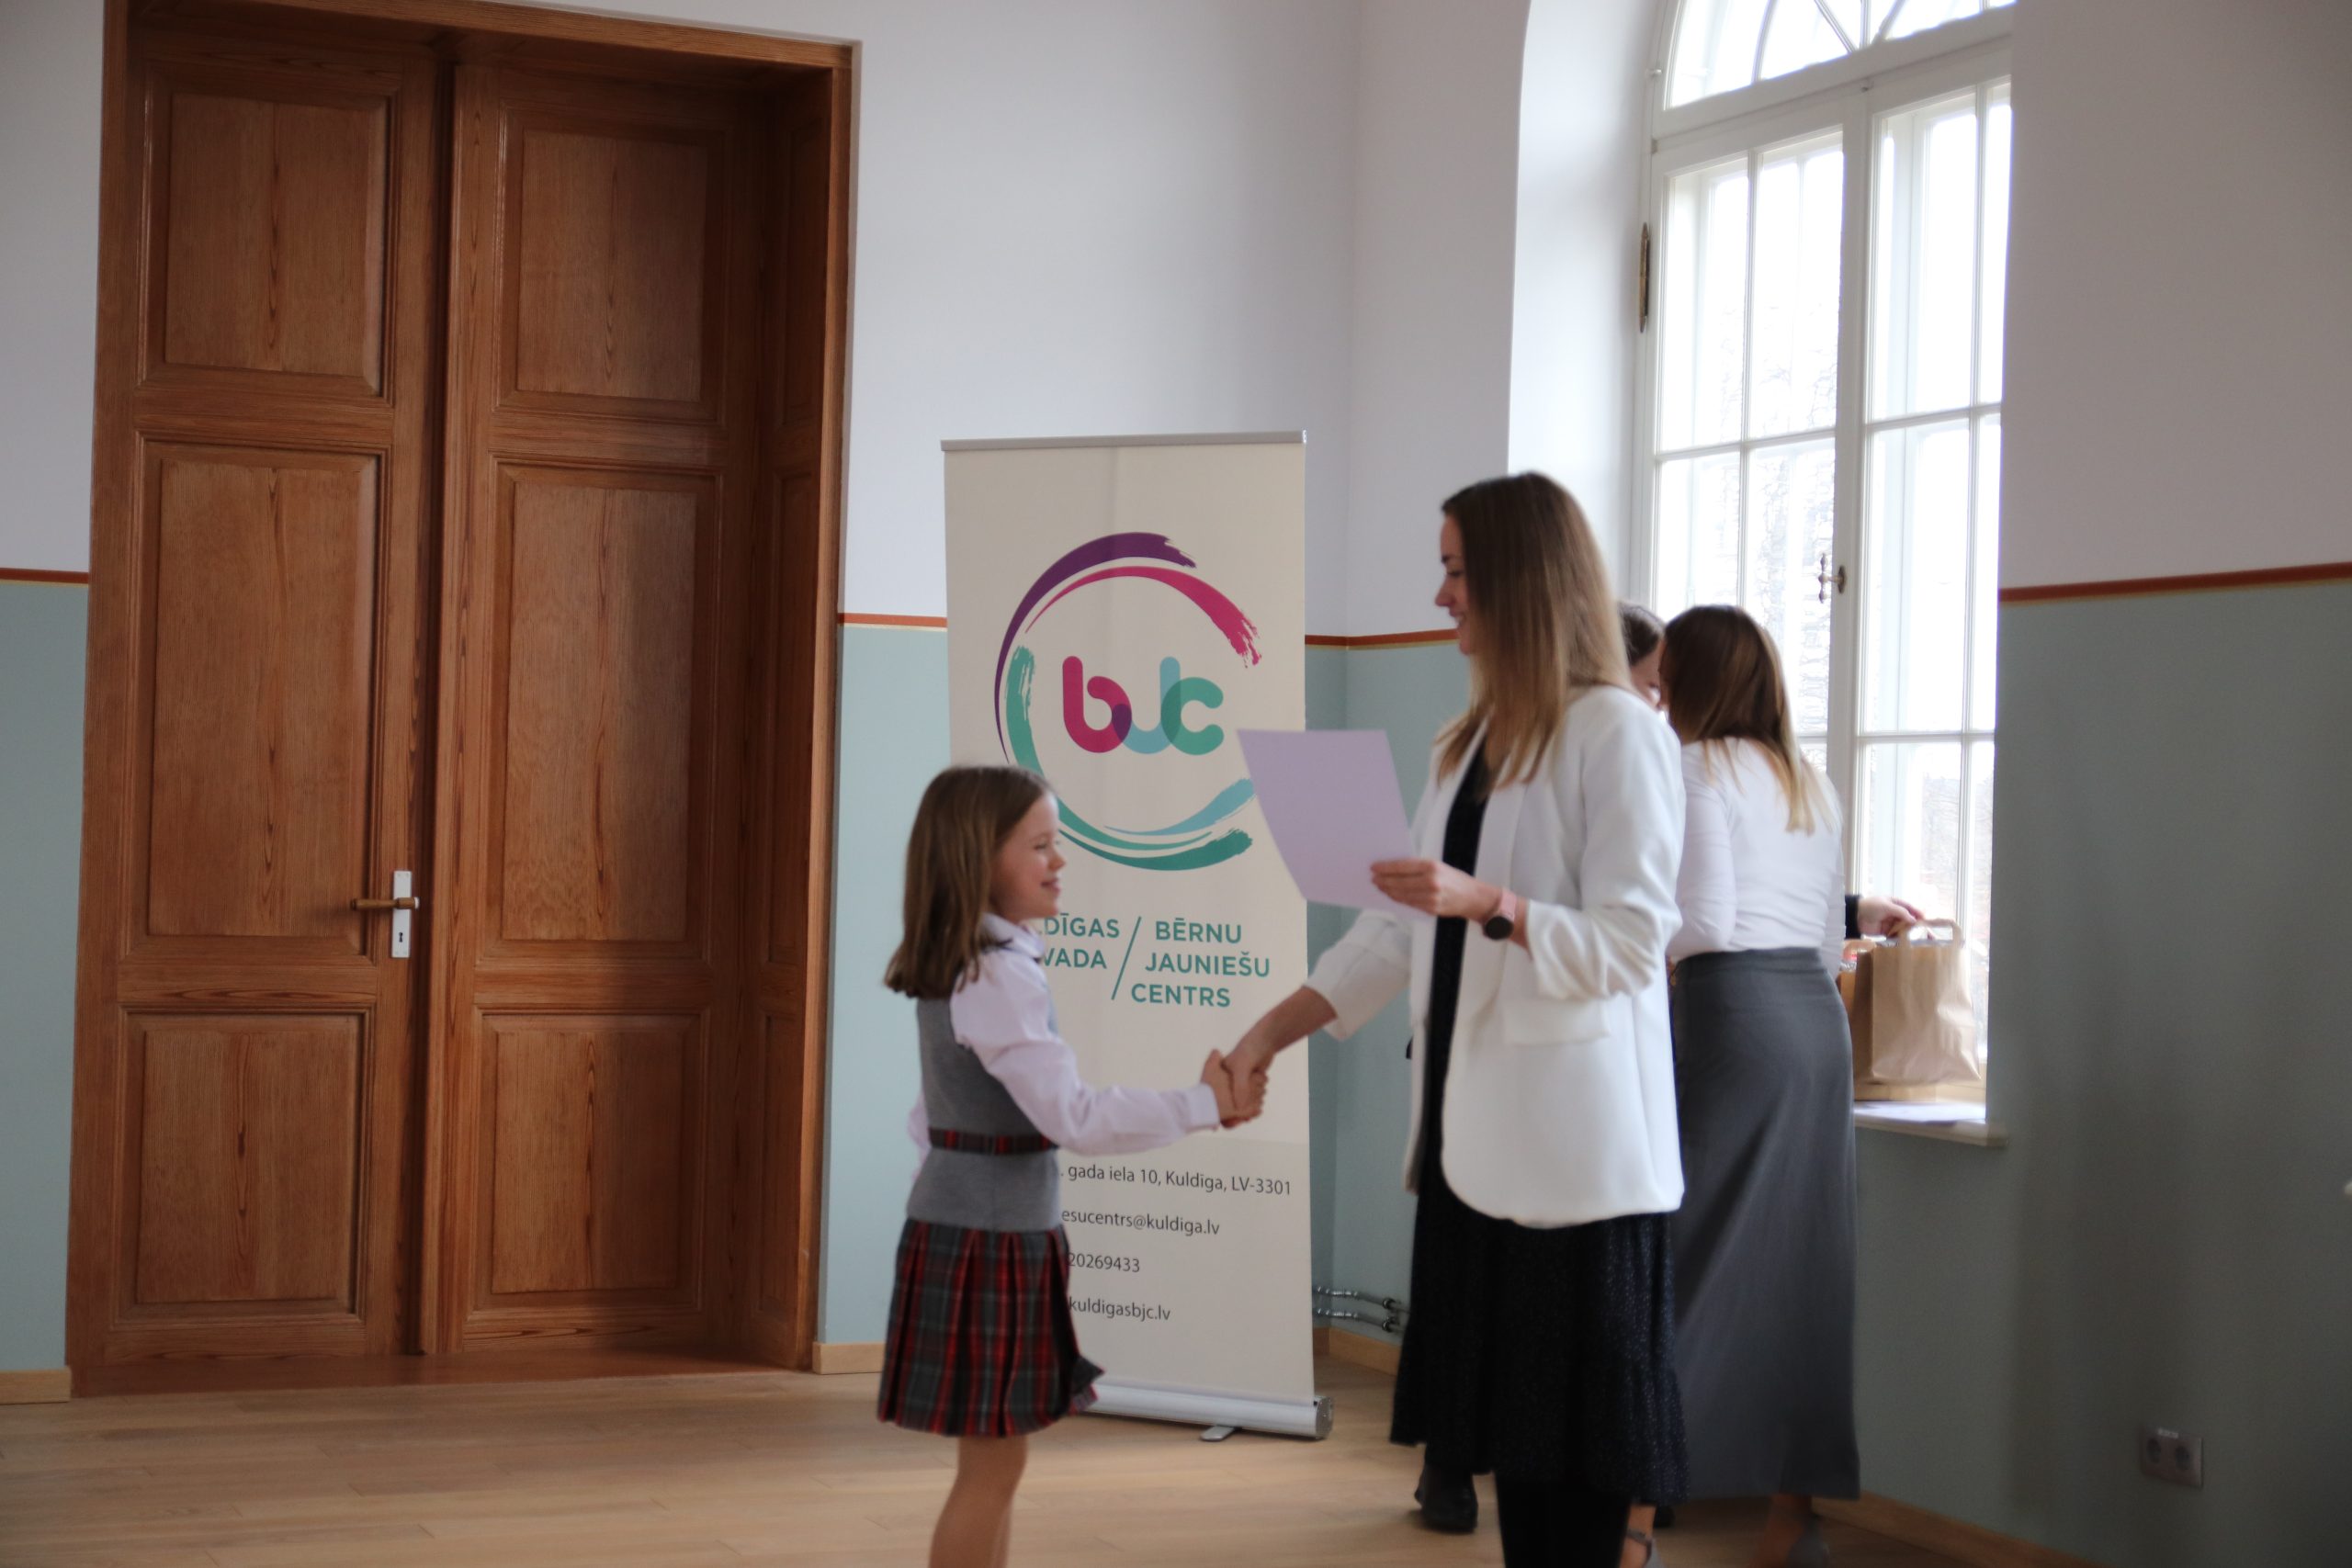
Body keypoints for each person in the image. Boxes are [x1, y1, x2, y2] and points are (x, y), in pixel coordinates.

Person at [1228, 473, 1688, 1568]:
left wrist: (1493, 905)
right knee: (1519, 1464)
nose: (1440, 596)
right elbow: (1397, 930)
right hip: (1468, 1153)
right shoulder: (1468, 743)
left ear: (1520, 579)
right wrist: (1264, 1036)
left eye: (1456, 570)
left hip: (1573, 1172)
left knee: (1568, 1483)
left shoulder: (1618, 733)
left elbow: (1632, 946)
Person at [876, 765, 1261, 1568]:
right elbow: (1075, 1118)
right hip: (988, 1235)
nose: (1060, 860)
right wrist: (1203, 1102)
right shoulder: (997, 971)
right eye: (1041, 845)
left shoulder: (975, 960)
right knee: (993, 1467)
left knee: (996, 1462)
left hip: (979, 1226)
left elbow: (929, 1115)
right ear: (979, 856)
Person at [1659, 606, 1858, 1568]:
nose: (1658, 697)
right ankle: (1792, 1519)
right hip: (1817, 1023)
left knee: (1684, 1251)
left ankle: (1634, 1514)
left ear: (1693, 682)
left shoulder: (1697, 766)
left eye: (1665, 679)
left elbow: (1701, 922)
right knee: (1804, 1271)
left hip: (1734, 1012)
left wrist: (1612, 942)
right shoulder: (1809, 779)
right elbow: (1828, 942)